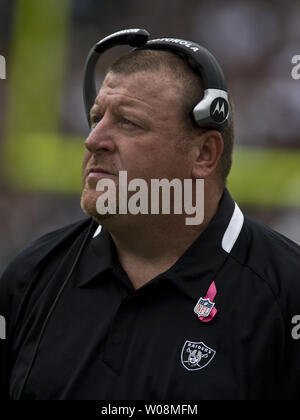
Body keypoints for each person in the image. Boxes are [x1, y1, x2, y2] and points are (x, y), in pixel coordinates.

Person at [0, 42, 300, 401]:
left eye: (128, 122)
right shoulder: (31, 276)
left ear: (204, 153)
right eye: (97, 118)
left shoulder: (287, 294)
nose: (93, 140)